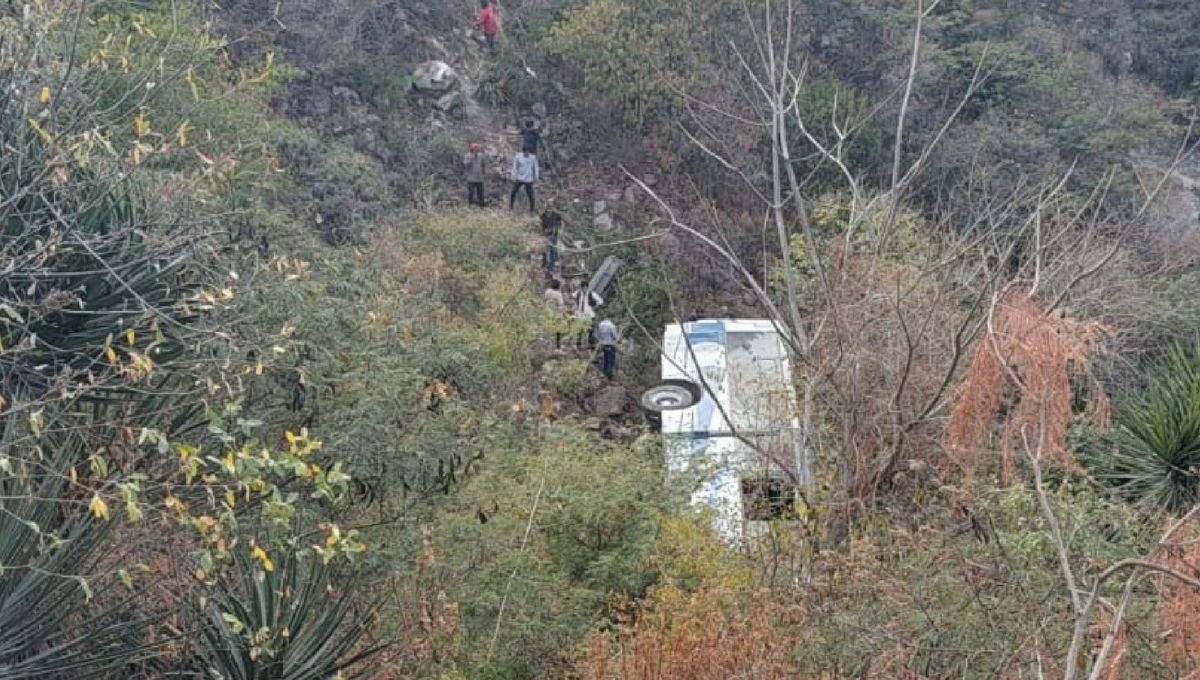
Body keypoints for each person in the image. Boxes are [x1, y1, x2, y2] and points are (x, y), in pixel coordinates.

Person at [509, 148, 538, 213]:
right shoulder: (518, 157)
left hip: (528, 179)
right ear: (523, 152)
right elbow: (515, 167)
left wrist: (536, 176)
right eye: (525, 153)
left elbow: (535, 167)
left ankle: (532, 209)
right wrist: (513, 176)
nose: (527, 154)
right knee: (513, 192)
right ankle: (511, 206)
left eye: (528, 152)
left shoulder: (532, 158)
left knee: (530, 194)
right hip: (520, 178)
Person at [543, 278, 567, 348]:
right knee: (558, 331)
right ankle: (557, 346)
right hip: (556, 315)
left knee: (548, 330)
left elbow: (545, 301)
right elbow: (561, 305)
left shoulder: (547, 292)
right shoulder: (558, 294)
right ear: (558, 286)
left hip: (547, 313)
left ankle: (547, 345)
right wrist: (564, 314)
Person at [462, 142, 486, 207]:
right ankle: (470, 205)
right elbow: (465, 165)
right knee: (471, 193)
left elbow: (483, 165)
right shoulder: (467, 156)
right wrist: (472, 158)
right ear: (471, 149)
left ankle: (481, 206)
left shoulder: (481, 156)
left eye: (477, 149)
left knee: (480, 193)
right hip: (471, 178)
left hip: (479, 178)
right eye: (475, 149)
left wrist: (483, 174)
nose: (476, 150)